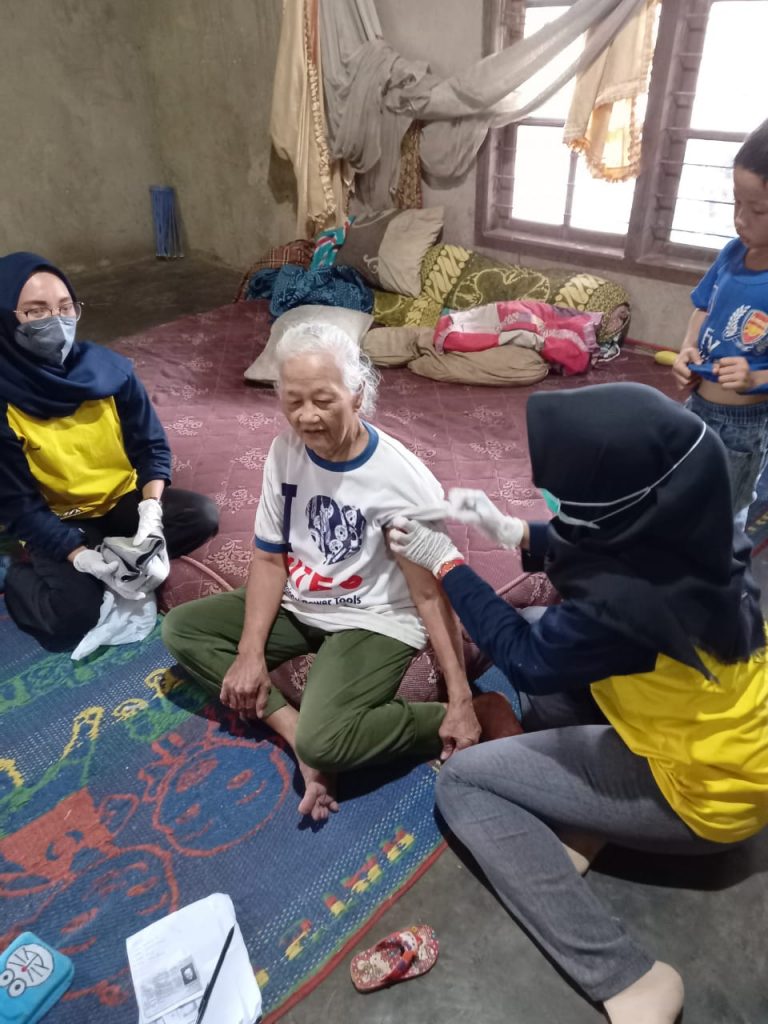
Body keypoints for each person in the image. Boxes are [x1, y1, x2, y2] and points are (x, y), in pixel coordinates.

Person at [390, 382, 768, 1024]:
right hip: (733, 751)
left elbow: (524, 659)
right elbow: (608, 547)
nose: (556, 505)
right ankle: (592, 817)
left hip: (705, 800)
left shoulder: (627, 609)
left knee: (464, 784)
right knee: (545, 620)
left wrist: (447, 563)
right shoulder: (702, 529)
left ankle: (629, 978)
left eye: (566, 499)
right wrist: (514, 531)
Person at [162, 323, 514, 821]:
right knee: (182, 628)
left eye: (323, 401)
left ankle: (479, 710)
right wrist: (249, 652)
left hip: (374, 615)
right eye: (293, 401)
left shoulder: (400, 482)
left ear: (358, 394)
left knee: (327, 740)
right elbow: (269, 558)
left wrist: (459, 698)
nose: (306, 416)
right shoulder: (284, 451)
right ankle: (292, 731)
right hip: (303, 597)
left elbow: (429, 593)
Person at [0, 251, 219, 652]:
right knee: (72, 616)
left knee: (200, 516)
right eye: (35, 312)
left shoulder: (109, 372)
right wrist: (77, 554)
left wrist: (150, 512)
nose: (57, 321)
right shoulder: (5, 403)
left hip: (120, 500)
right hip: (59, 519)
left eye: (65, 307)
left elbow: (151, 446)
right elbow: (19, 507)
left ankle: (109, 550)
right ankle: (16, 576)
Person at [672, 118, 768, 527]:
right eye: (736, 203)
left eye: (758, 210)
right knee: (678, 495)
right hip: (697, 404)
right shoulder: (732, 253)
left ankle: (722, 569)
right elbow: (703, 308)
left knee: (722, 519)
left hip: (742, 429)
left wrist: (755, 377)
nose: (741, 219)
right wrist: (687, 348)